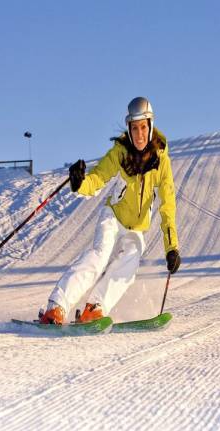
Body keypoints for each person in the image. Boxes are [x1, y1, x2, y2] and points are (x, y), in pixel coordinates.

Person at [39, 97, 181, 324]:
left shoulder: (161, 160)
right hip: (113, 217)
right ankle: (56, 307)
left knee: (130, 263)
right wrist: (79, 183)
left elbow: (167, 206)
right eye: (134, 128)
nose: (139, 134)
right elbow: (98, 177)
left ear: (150, 126)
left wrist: (171, 248)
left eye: (143, 127)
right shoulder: (120, 152)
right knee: (99, 255)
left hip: (136, 227)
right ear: (129, 128)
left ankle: (94, 308)